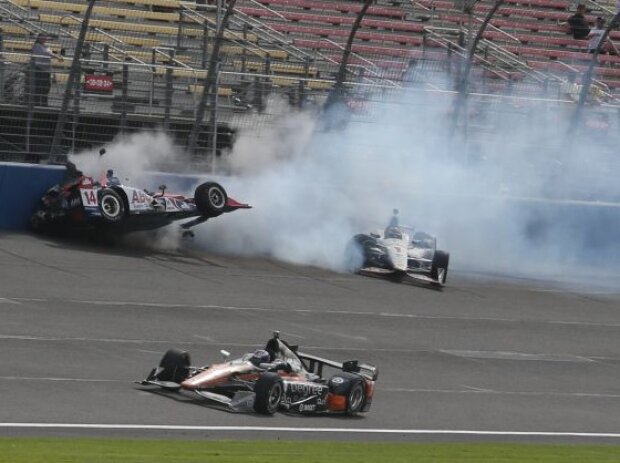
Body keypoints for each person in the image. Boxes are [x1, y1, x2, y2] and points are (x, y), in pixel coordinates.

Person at [30, 33, 63, 106]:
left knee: (46, 88)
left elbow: (48, 53)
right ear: (38, 38)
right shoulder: (37, 46)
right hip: (39, 69)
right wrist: (57, 56)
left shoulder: (46, 46)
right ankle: (37, 104)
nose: (44, 39)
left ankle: (44, 104)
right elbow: (46, 53)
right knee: (39, 87)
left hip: (46, 70)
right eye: (42, 38)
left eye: (45, 38)